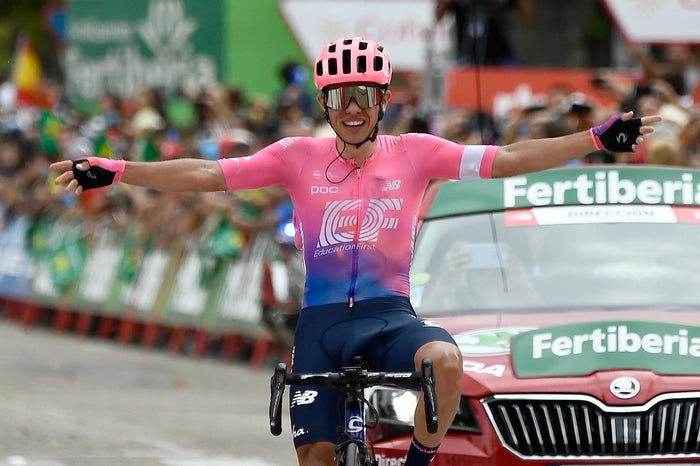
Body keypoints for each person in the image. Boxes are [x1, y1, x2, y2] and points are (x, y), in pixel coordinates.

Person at [50, 37, 660, 466]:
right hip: (321, 325)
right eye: (340, 96)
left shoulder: (417, 152)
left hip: (390, 317)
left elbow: (509, 160)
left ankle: (416, 463)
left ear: (382, 101)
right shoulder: (297, 156)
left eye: (364, 95)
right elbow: (209, 174)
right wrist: (120, 169)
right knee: (316, 458)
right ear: (324, 103)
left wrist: (594, 137)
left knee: (446, 362)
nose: (351, 108)